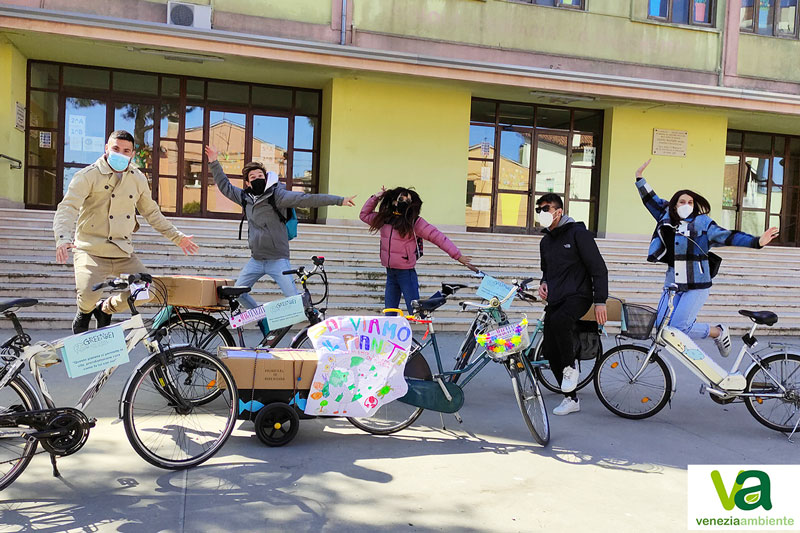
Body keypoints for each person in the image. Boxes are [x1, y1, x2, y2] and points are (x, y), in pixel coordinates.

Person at [54, 130, 199, 334]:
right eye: (115, 149)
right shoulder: (87, 176)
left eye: (126, 150)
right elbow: (67, 207)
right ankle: (85, 312)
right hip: (90, 250)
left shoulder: (138, 178)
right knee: (88, 295)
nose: (120, 154)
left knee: (147, 291)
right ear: (106, 148)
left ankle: (106, 309)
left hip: (123, 250)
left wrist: (178, 237)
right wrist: (62, 238)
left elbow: (151, 212)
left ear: (132, 153)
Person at [205, 145, 356, 335]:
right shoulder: (245, 198)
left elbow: (306, 199)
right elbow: (224, 186)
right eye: (253, 177)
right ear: (248, 183)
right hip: (256, 260)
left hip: (278, 260)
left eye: (260, 175)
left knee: (295, 300)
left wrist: (338, 200)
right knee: (239, 292)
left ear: (266, 177)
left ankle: (317, 331)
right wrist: (214, 162)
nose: (257, 178)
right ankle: (262, 319)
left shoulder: (278, 195)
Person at [635, 159, 778, 356]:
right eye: (682, 202)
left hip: (697, 284)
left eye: (690, 202)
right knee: (661, 326)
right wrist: (639, 178)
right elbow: (651, 200)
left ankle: (717, 332)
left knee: (679, 327)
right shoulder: (666, 216)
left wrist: (756, 242)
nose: (686, 205)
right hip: (673, 283)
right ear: (675, 205)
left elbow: (727, 236)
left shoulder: (702, 223)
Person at [537, 193, 608, 416]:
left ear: (558, 211)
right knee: (549, 347)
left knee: (560, 320)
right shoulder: (545, 241)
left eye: (546, 208)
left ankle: (570, 370)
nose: (542, 213)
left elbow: (598, 268)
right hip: (556, 297)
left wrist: (600, 301)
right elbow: (546, 271)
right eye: (539, 209)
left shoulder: (579, 234)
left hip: (580, 295)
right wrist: (543, 283)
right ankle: (571, 398)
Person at [360, 186, 476, 315]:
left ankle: (445, 292)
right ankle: (394, 336)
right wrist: (377, 197)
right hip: (390, 272)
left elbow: (438, 237)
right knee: (389, 313)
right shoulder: (385, 219)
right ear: (394, 201)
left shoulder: (414, 222)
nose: (404, 201)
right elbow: (364, 215)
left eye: (408, 200)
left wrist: (457, 255)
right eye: (401, 198)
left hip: (406, 274)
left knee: (417, 312)